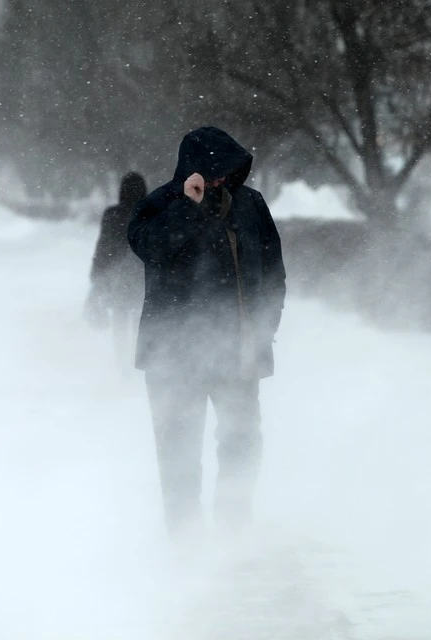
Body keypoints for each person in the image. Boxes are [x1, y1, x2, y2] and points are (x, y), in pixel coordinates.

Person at [128, 126, 286, 535]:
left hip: (238, 350)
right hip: (172, 356)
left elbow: (272, 274)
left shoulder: (250, 205)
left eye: (226, 170)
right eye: (211, 171)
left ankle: (235, 527)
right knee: (178, 452)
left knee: (242, 442)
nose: (218, 180)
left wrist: (263, 328)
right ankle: (185, 540)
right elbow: (151, 249)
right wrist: (188, 205)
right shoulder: (159, 205)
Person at [87, 172, 147, 363]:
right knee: (140, 321)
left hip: (119, 277)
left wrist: (96, 274)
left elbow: (104, 247)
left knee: (120, 321)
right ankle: (138, 361)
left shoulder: (112, 215)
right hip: (142, 277)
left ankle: (122, 364)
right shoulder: (152, 212)